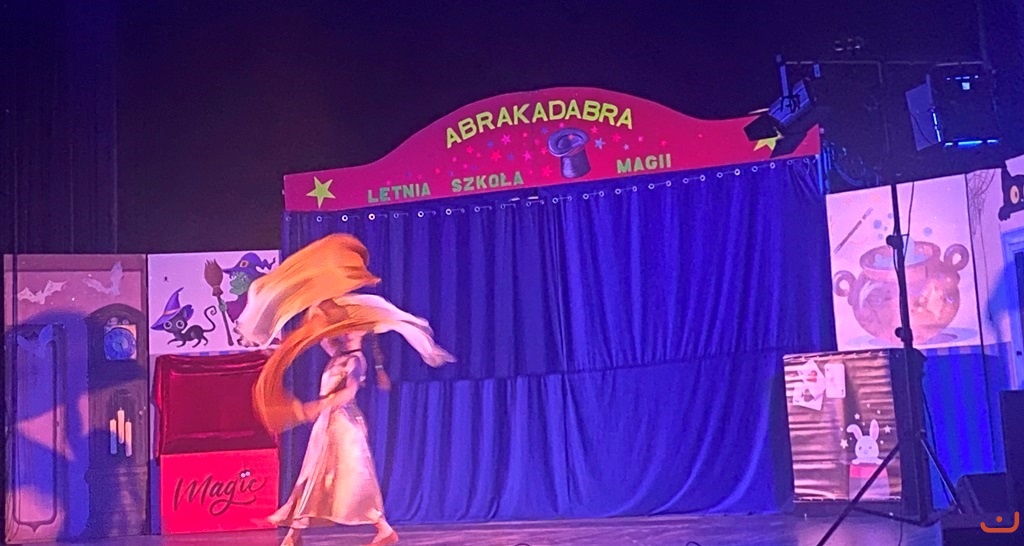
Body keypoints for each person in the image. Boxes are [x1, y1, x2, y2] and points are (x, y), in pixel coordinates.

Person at [235, 234, 454, 546]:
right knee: (313, 473)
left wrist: (313, 407)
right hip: (329, 423)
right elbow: (320, 330)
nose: (347, 333)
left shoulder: (356, 361)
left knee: (351, 476)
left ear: (362, 334)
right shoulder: (337, 354)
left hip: (345, 423)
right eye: (346, 330)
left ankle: (381, 528)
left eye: (353, 331)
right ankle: (296, 533)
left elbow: (348, 394)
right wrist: (318, 295)